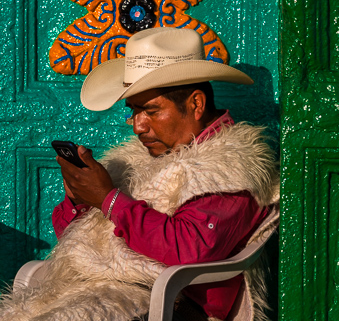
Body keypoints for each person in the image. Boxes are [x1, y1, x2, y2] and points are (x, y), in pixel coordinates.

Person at [0, 27, 279, 321]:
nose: (138, 126)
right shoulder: (134, 159)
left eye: (151, 111)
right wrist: (79, 198)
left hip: (170, 303)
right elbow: (77, 241)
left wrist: (108, 200)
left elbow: (189, 249)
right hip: (92, 289)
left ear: (196, 104)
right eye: (133, 111)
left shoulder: (230, 166)